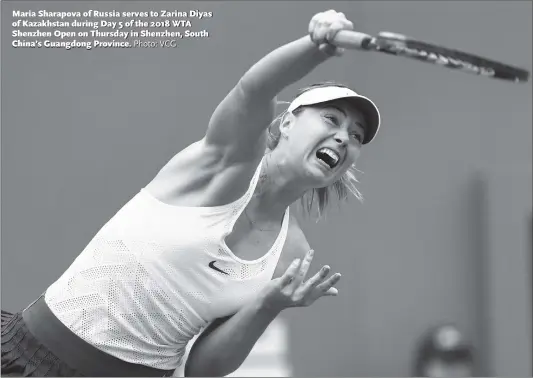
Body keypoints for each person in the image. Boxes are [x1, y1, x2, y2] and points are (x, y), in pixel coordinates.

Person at [1, 9, 381, 377]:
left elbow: (203, 368)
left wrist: (269, 304)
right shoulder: (226, 164)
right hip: (33, 359)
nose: (343, 137)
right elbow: (254, 89)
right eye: (332, 119)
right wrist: (317, 46)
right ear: (285, 123)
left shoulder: (291, 254)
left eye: (357, 136)